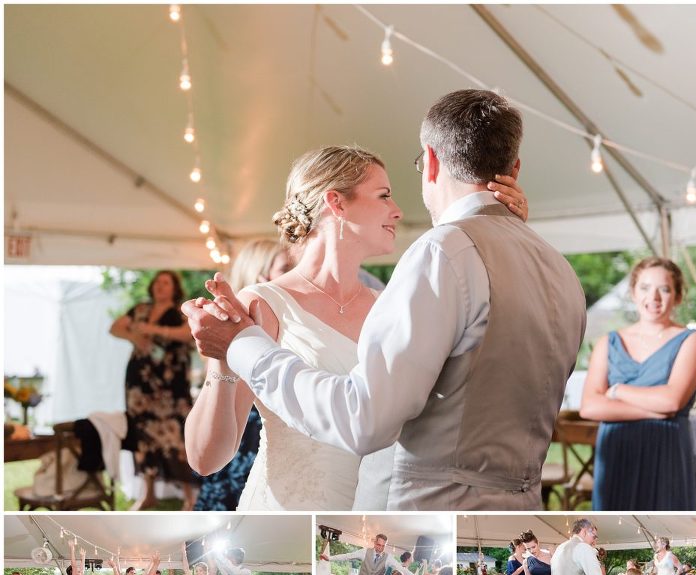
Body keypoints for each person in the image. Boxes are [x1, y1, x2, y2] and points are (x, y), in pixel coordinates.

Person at [183, 88, 585, 512]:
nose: (398, 210)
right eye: (383, 196)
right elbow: (207, 459)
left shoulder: (395, 298)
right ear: (336, 203)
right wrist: (223, 357)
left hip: (382, 511)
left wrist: (497, 238)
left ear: (432, 161)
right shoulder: (262, 305)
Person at [580, 257, 696, 510]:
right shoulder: (609, 342)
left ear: (678, 296)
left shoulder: (692, 340)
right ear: (633, 293)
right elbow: (590, 406)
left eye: (665, 289)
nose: (654, 297)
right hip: (616, 453)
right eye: (645, 287)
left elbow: (671, 400)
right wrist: (655, 410)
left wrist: (617, 390)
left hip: (666, 452)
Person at [192, 239, 292, 511]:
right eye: (285, 268)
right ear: (260, 276)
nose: (294, 274)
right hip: (244, 434)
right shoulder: (235, 327)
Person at [110, 270, 195, 510]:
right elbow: (115, 327)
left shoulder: (181, 311)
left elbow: (188, 334)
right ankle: (148, 494)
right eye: (157, 282)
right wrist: (134, 337)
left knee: (177, 436)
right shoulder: (140, 309)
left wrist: (153, 330)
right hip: (140, 382)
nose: (160, 286)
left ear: (175, 288)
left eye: (166, 282)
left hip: (171, 384)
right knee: (142, 435)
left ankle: (189, 496)